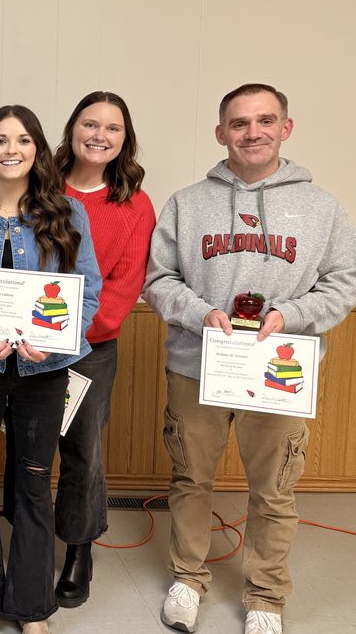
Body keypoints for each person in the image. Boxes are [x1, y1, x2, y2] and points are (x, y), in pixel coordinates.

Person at [143, 83, 356, 634]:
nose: (252, 132)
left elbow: (343, 284)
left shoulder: (322, 207)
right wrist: (199, 312)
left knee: (275, 488)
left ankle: (266, 596)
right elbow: (159, 280)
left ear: (286, 127)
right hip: (198, 364)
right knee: (191, 479)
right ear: (221, 134)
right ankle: (187, 579)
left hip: (279, 369)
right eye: (239, 123)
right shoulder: (187, 204)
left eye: (265, 120)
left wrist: (291, 315)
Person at [0, 105, 101, 634]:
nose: (12, 150)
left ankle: (32, 606)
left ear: (38, 150)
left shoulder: (69, 215)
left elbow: (88, 292)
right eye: (0, 140)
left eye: (23, 140)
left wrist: (54, 345)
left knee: (33, 481)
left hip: (44, 372)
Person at [49, 91, 155, 607]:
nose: (99, 135)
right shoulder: (37, 187)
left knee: (82, 452)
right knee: (25, 446)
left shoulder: (134, 204)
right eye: (90, 124)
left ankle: (77, 549)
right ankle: (25, 540)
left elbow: (122, 286)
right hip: (24, 345)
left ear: (124, 139)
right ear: (71, 129)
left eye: (112, 128)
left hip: (89, 349)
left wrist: (66, 335)